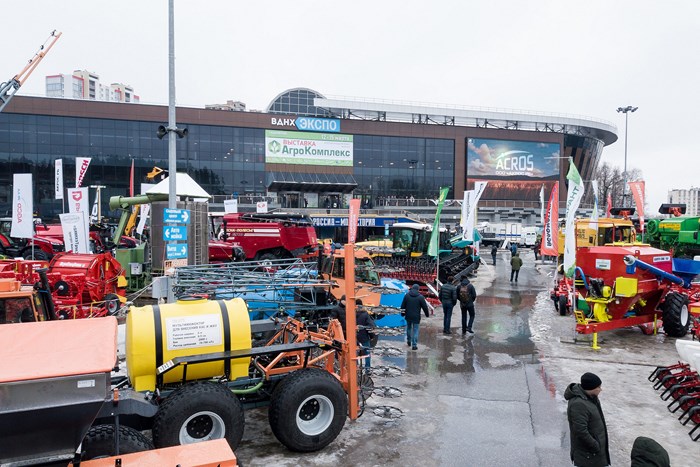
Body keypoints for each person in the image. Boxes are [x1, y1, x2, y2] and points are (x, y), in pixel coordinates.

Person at [565, 372, 610, 467]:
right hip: (587, 456)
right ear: (591, 388)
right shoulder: (579, 404)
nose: (600, 389)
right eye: (598, 387)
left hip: (594, 455)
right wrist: (595, 446)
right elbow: (580, 431)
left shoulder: (591, 398)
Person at [401, 284, 430, 350]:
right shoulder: (420, 297)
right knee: (415, 330)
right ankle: (414, 345)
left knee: (408, 328)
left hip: (408, 315)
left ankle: (409, 341)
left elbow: (403, 306)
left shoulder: (407, 295)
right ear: (418, 289)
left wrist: (402, 313)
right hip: (416, 316)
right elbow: (425, 307)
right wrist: (427, 314)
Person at [355, 299, 376, 368]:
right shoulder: (365, 314)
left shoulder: (350, 314)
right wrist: (372, 336)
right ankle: (367, 368)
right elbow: (371, 326)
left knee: (354, 354)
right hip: (364, 337)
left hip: (353, 338)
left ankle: (356, 368)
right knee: (367, 353)